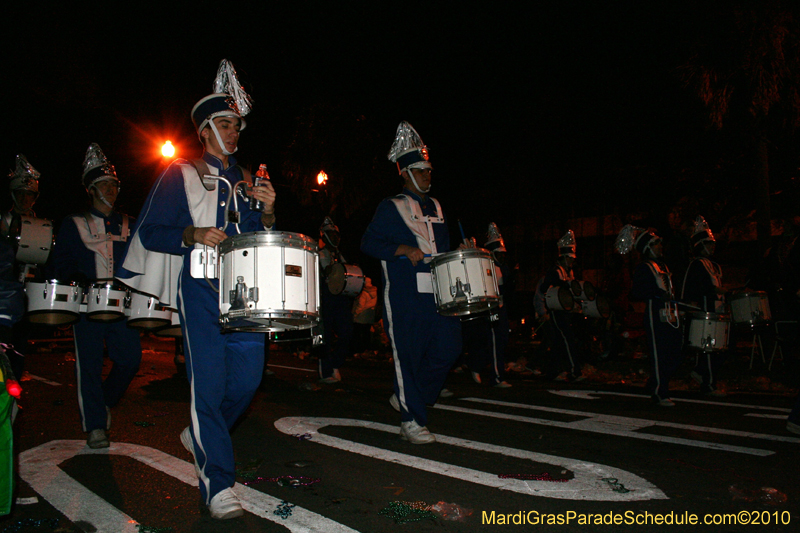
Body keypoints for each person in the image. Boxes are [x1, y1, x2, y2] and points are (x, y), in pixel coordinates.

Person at [117, 59, 276, 520]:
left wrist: (266, 214)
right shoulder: (181, 173)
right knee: (207, 381)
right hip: (200, 285)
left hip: (244, 289)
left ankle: (201, 432)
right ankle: (217, 486)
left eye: (237, 126)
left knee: (247, 379)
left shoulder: (247, 179)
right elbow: (150, 233)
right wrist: (190, 234)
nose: (234, 132)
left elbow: (254, 235)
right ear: (205, 130)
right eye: (224, 124)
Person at [361, 121, 461, 444]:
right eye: (421, 170)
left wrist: (462, 251)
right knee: (408, 353)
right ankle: (411, 419)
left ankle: (409, 396)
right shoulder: (390, 207)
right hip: (405, 294)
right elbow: (368, 243)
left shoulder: (438, 207)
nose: (428, 175)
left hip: (438, 293)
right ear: (404, 172)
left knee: (449, 347)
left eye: (429, 170)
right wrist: (401, 249)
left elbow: (442, 249)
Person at [51, 143, 142, 448]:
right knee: (88, 364)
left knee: (130, 360)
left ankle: (102, 401)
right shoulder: (73, 223)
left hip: (122, 305)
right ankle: (94, 426)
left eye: (114, 184)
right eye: (104, 184)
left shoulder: (129, 224)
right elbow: (59, 264)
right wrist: (73, 277)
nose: (111, 189)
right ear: (90, 189)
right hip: (86, 305)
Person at [616, 224, 683, 407]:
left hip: (670, 314)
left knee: (674, 352)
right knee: (659, 353)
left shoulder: (663, 266)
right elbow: (637, 292)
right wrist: (657, 294)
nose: (660, 247)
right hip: (655, 314)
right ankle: (659, 392)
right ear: (648, 248)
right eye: (656, 245)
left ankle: (655, 383)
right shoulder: (644, 268)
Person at [0, 155, 45, 378]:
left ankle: (13, 396)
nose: (25, 198)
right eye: (21, 193)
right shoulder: (4, 221)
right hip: (6, 292)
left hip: (28, 293)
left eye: (29, 194)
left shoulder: (42, 225)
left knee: (19, 348)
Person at [681, 216, 726, 396]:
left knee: (717, 349)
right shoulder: (697, 264)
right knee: (709, 348)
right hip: (706, 312)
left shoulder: (713, 265)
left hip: (717, 311)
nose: (713, 247)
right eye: (709, 243)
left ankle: (701, 373)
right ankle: (708, 384)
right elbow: (697, 289)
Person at [536, 230, 585, 382]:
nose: (572, 262)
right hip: (557, 312)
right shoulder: (556, 271)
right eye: (569, 259)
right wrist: (561, 286)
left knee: (558, 342)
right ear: (563, 258)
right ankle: (574, 371)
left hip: (565, 311)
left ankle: (552, 371)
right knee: (567, 339)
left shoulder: (568, 272)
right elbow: (544, 288)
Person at [317, 216, 355, 383]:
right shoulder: (319, 254)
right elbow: (327, 273)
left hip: (340, 298)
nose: (334, 237)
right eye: (331, 234)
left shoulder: (340, 255)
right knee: (325, 336)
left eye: (336, 234)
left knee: (347, 332)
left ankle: (334, 363)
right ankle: (326, 371)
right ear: (323, 236)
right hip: (325, 297)